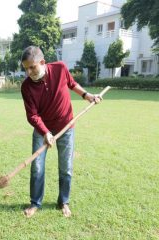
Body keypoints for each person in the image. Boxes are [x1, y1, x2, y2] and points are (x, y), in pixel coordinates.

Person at [20, 46, 102, 218]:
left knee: (66, 167)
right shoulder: (26, 86)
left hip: (66, 127)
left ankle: (63, 202)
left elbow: (72, 84)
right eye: (26, 68)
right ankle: (35, 203)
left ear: (42, 62)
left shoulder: (60, 68)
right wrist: (45, 132)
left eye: (32, 67)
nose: (29, 72)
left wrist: (87, 95)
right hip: (42, 130)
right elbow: (32, 115)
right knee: (37, 167)